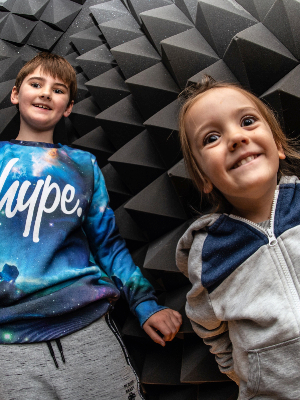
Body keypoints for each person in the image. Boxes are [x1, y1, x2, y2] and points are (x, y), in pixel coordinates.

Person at [0, 52, 182, 400]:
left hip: (87, 326)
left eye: (58, 89)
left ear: (67, 107)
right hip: (9, 342)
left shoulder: (84, 166)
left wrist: (145, 305)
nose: (44, 94)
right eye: (35, 84)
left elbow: (108, 246)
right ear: (15, 93)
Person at [176, 75, 300, 400]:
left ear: (279, 145)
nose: (235, 138)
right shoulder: (207, 252)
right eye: (212, 137)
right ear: (204, 178)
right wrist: (243, 375)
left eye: (247, 121)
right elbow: (207, 324)